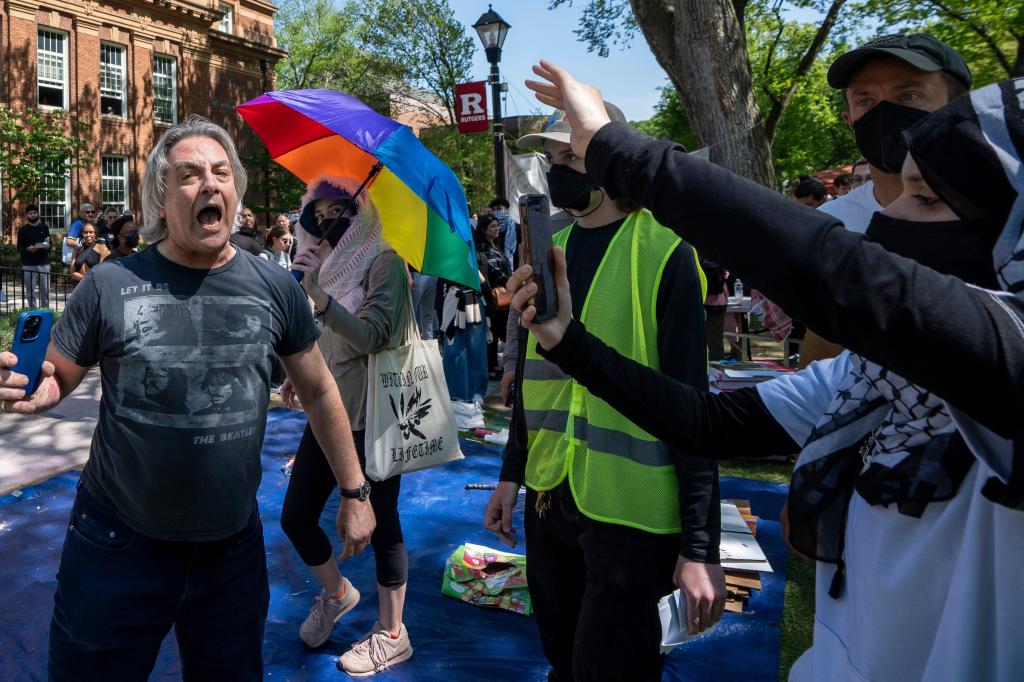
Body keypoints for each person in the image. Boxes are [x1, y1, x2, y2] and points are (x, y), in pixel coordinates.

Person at [515, 60, 1023, 681]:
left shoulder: (1010, 364)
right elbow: (705, 420)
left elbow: (833, 270)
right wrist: (566, 342)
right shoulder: (868, 382)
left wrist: (620, 151)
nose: (891, 220)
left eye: (926, 198)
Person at [0, 116, 375, 681]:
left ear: (236, 191)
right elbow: (59, 372)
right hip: (116, 545)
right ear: (160, 193)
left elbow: (321, 388)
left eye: (221, 172)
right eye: (189, 173)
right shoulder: (109, 283)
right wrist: (36, 388)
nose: (209, 183)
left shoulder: (276, 288)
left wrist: (355, 490)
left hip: (231, 552)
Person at [483, 99, 724, 682]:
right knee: (562, 656)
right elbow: (535, 387)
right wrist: (510, 477)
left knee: (613, 668)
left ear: (615, 159)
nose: (562, 166)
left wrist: (699, 545)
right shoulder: (547, 250)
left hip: (631, 513)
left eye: (575, 154)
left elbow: (695, 408)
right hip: (550, 494)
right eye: (554, 156)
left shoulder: (664, 251)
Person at [279, 175, 414, 676]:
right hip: (330, 414)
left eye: (338, 210)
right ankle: (337, 592)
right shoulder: (330, 264)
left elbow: (375, 335)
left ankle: (393, 632)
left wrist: (319, 297)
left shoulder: (386, 262)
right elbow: (326, 336)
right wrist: (303, 372)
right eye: (318, 209)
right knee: (296, 515)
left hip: (376, 416)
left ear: (361, 213)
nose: (325, 219)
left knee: (384, 523)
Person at [800, 32, 972, 369]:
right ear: (850, 122)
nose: (885, 113)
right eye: (865, 101)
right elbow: (819, 359)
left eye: (908, 95)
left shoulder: (1009, 216)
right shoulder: (827, 227)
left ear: (960, 108)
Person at [476, 213, 512, 377]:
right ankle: (490, 366)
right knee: (492, 331)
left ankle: (494, 364)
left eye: (497, 226)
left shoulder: (496, 248)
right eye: (493, 226)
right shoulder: (481, 250)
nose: (497, 229)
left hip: (504, 295)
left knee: (499, 330)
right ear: (484, 230)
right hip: (491, 295)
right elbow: (489, 272)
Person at [17, 204, 53, 308]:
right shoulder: (23, 229)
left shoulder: (44, 227)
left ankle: (45, 311)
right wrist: (28, 249)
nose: (33, 215)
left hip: (43, 263)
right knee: (30, 291)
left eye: (34, 213)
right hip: (28, 264)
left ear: (38, 214)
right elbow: (19, 248)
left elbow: (50, 243)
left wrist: (48, 246)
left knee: (45, 290)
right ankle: (33, 311)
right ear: (27, 215)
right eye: (30, 213)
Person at [488, 197, 519, 268]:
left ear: (507, 209)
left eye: (499, 209)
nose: (496, 212)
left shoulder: (516, 227)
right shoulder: (490, 229)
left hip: (515, 266)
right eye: (493, 210)